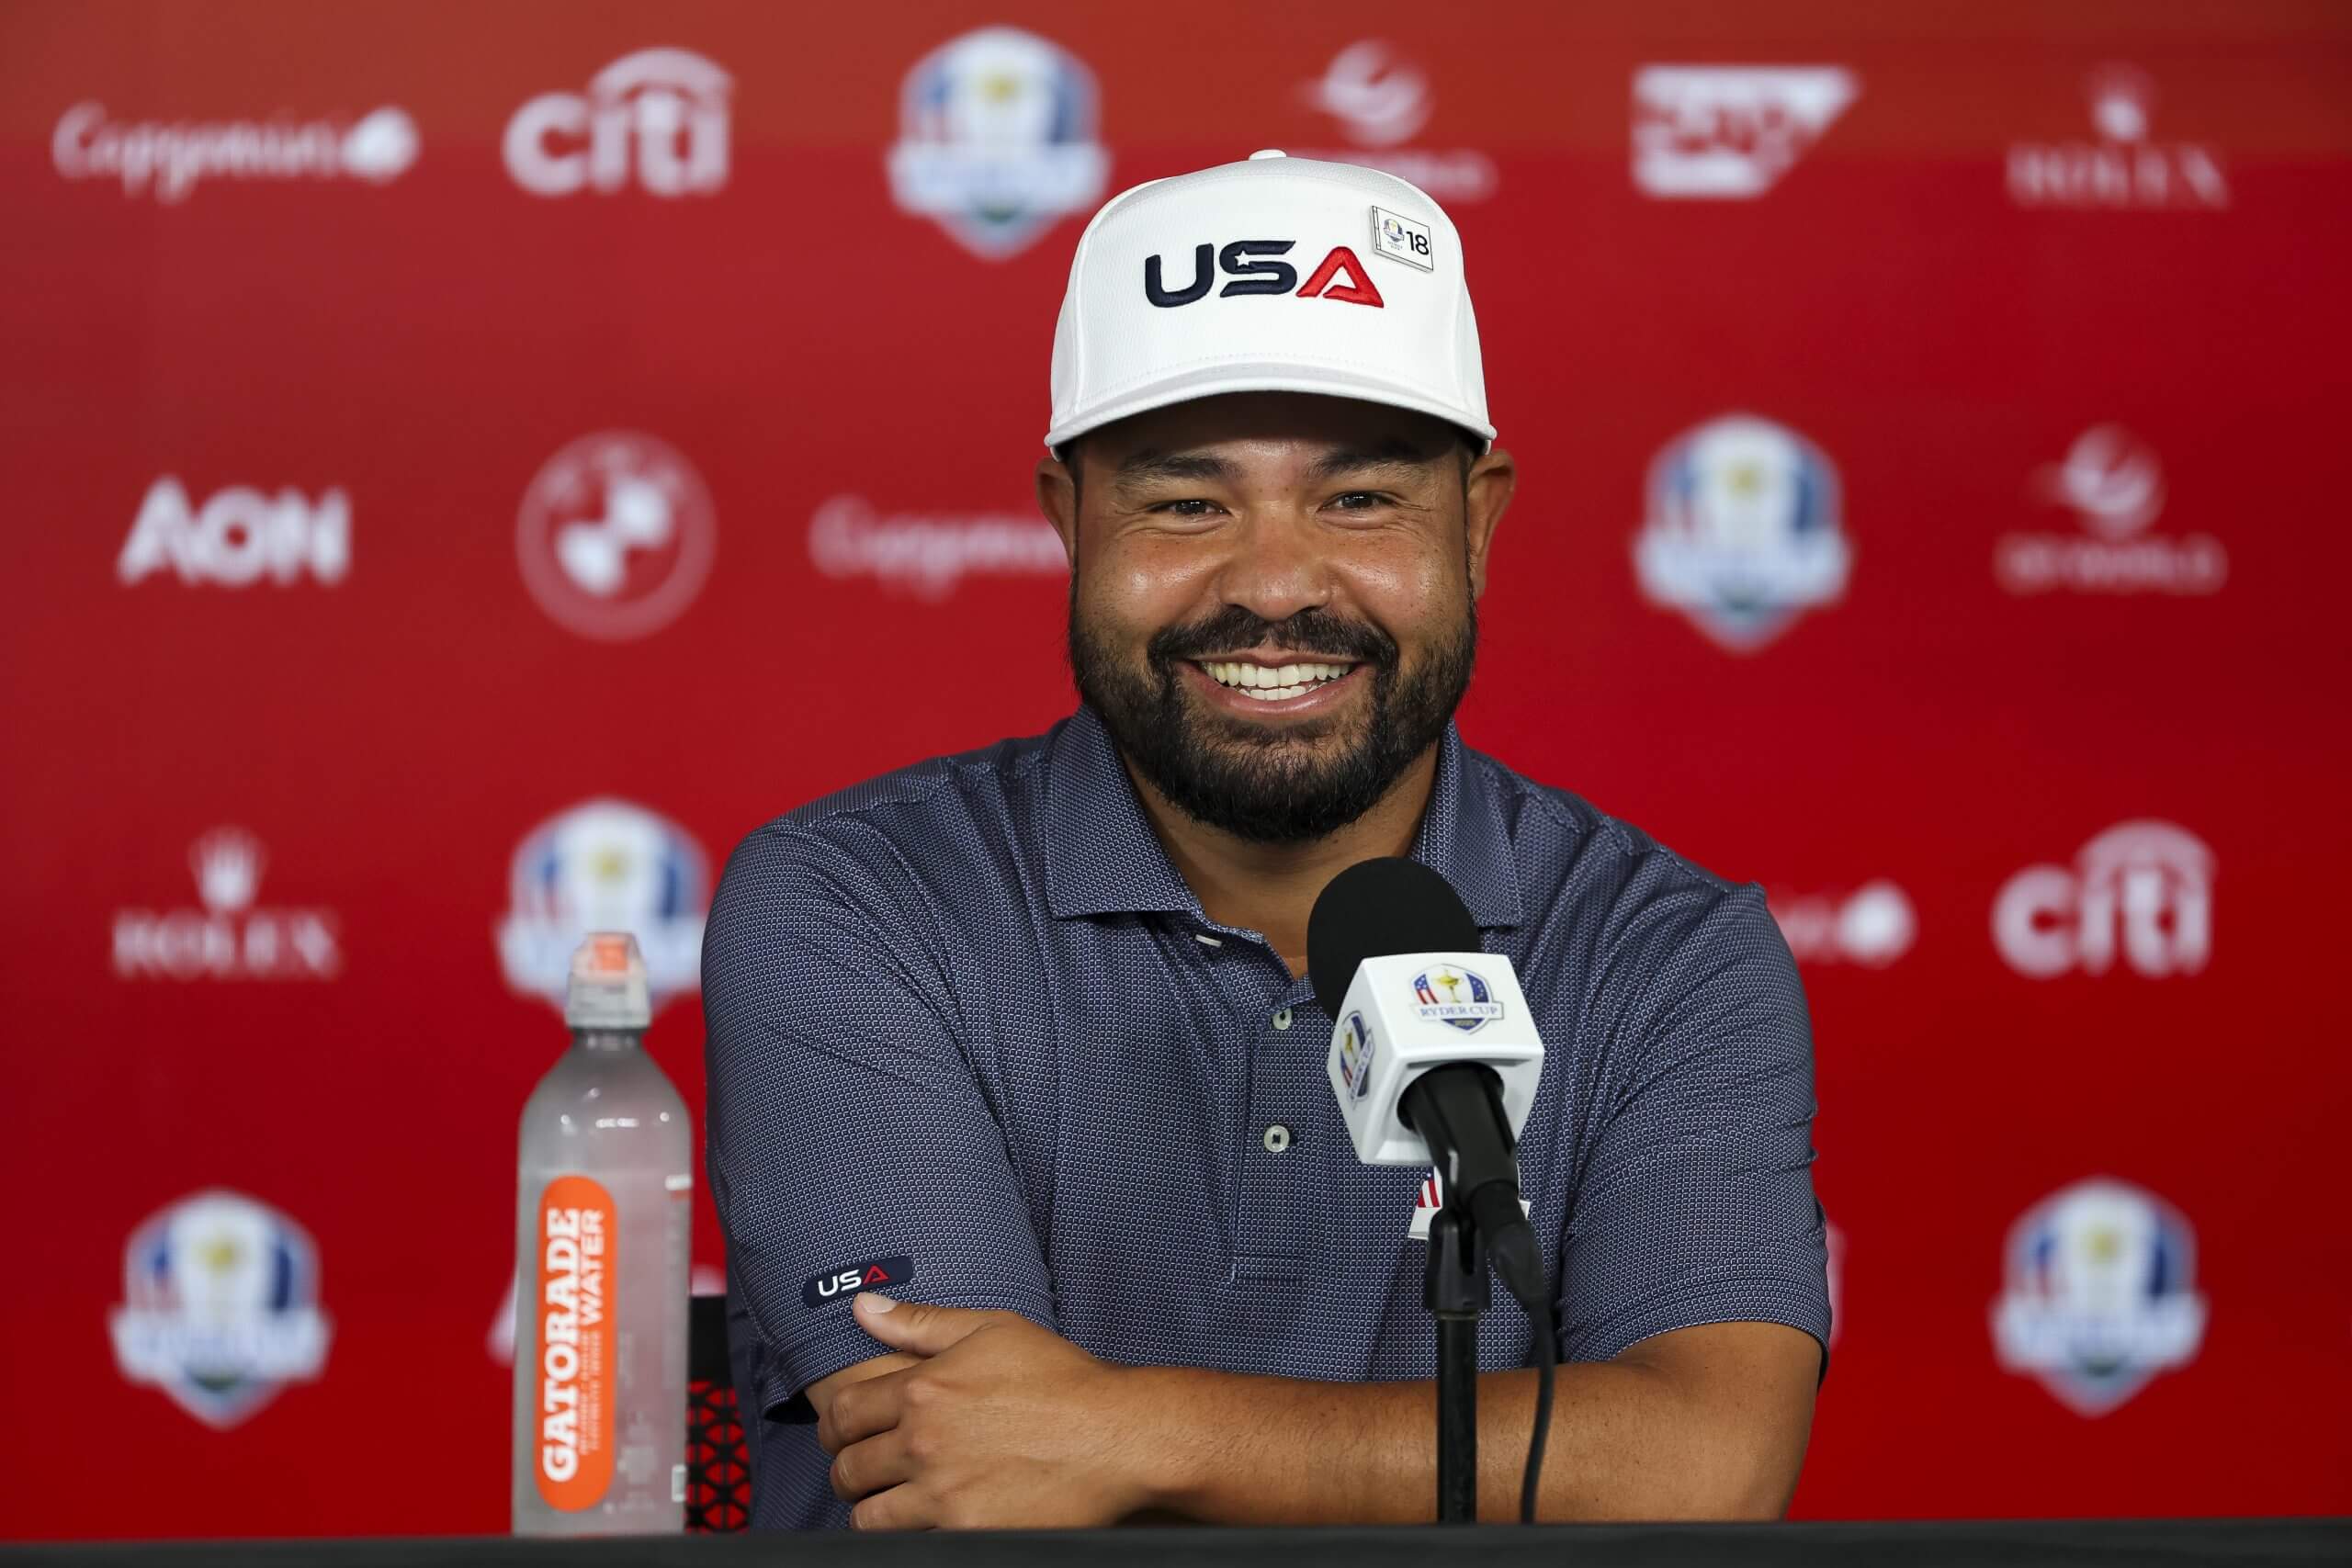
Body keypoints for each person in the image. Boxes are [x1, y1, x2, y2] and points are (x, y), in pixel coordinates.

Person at [702, 151, 1827, 1530]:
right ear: (1068, 521)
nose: (1278, 585)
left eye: (1360, 500)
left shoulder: (1663, 952)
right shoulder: (857, 903)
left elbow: (1707, 1464)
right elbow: (964, 1464)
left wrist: (1139, 1434)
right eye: (1187, 504)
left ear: (1477, 521)